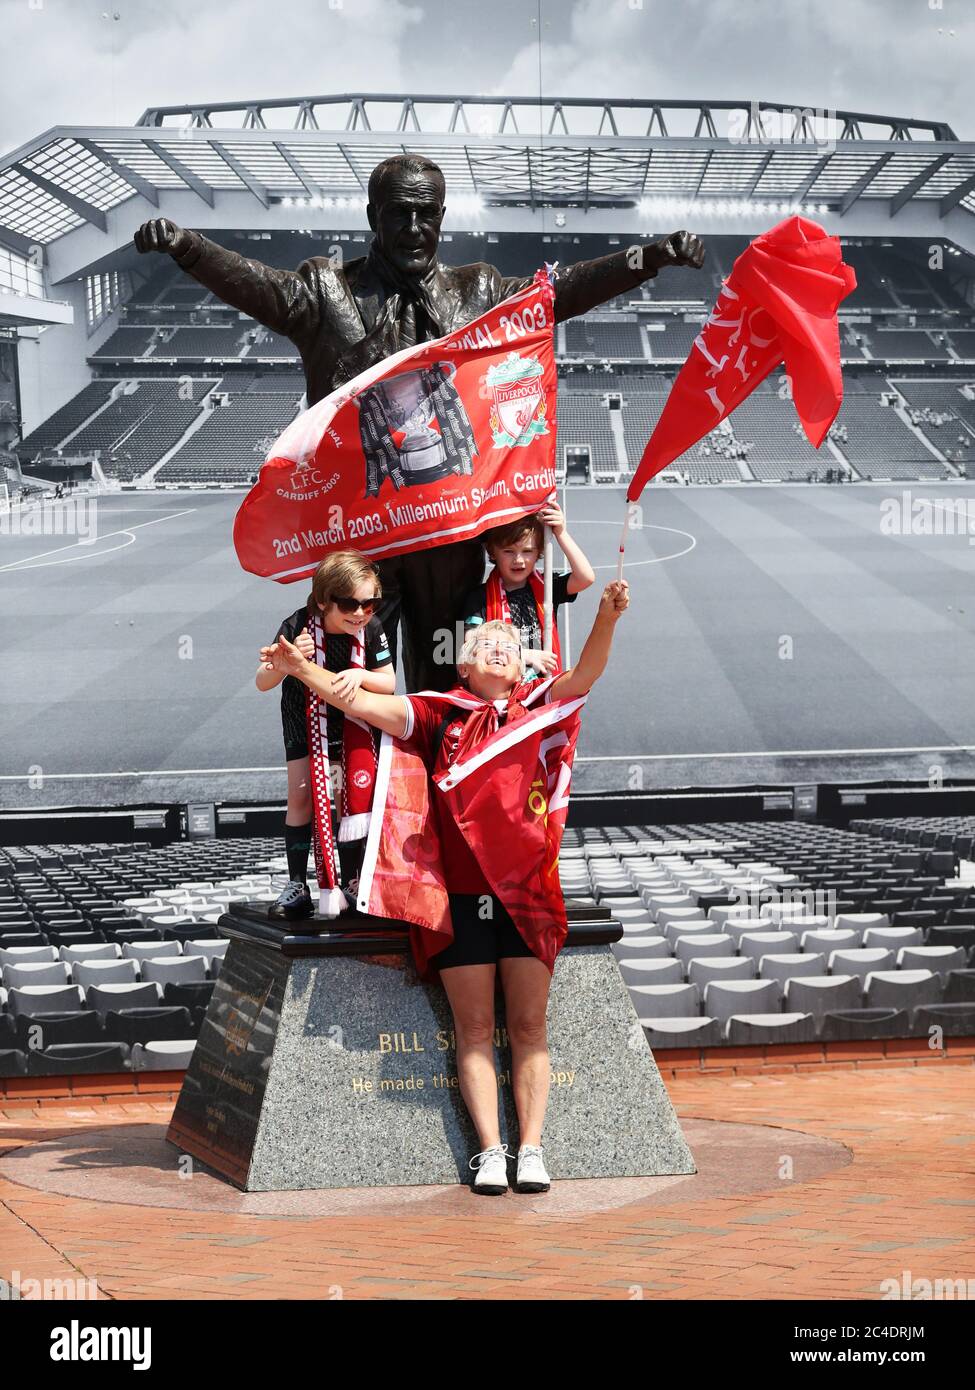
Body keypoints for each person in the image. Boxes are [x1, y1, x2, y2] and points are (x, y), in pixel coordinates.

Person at [134, 153, 703, 690]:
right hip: (360, 533)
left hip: (446, 532)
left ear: (442, 217)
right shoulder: (325, 291)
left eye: (425, 213)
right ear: (372, 218)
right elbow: (256, 284)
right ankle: (366, 792)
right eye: (398, 213)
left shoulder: (478, 291)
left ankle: (443, 787)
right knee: (354, 685)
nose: (412, 227)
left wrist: (644, 259)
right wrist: (188, 247)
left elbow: (560, 294)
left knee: (448, 672)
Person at [260, 578, 629, 1195]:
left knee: (532, 1026)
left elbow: (586, 674)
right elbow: (363, 707)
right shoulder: (439, 713)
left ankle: (532, 1148)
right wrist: (301, 668)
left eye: (507, 643)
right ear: (464, 662)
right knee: (476, 1028)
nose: (496, 646)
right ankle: (491, 1151)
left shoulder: (538, 706)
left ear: (520, 666)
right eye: (484, 640)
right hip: (459, 899)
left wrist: (607, 618)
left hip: (528, 895)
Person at [256, 550, 395, 919]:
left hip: (352, 723)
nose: (361, 612)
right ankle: (298, 884)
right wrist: (284, 664)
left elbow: (389, 682)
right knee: (302, 796)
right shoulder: (298, 625)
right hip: (304, 719)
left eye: (370, 603)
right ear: (323, 600)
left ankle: (351, 880)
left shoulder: (372, 629)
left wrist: (361, 676)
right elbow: (262, 682)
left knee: (349, 796)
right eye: (350, 603)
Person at [462, 500, 594, 678]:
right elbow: (469, 645)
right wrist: (523, 654)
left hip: (543, 690)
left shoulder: (547, 587)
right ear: (492, 552)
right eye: (509, 551)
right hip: (505, 696)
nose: (519, 560)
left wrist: (561, 533)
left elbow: (586, 577)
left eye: (527, 551)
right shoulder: (479, 599)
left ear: (539, 551)